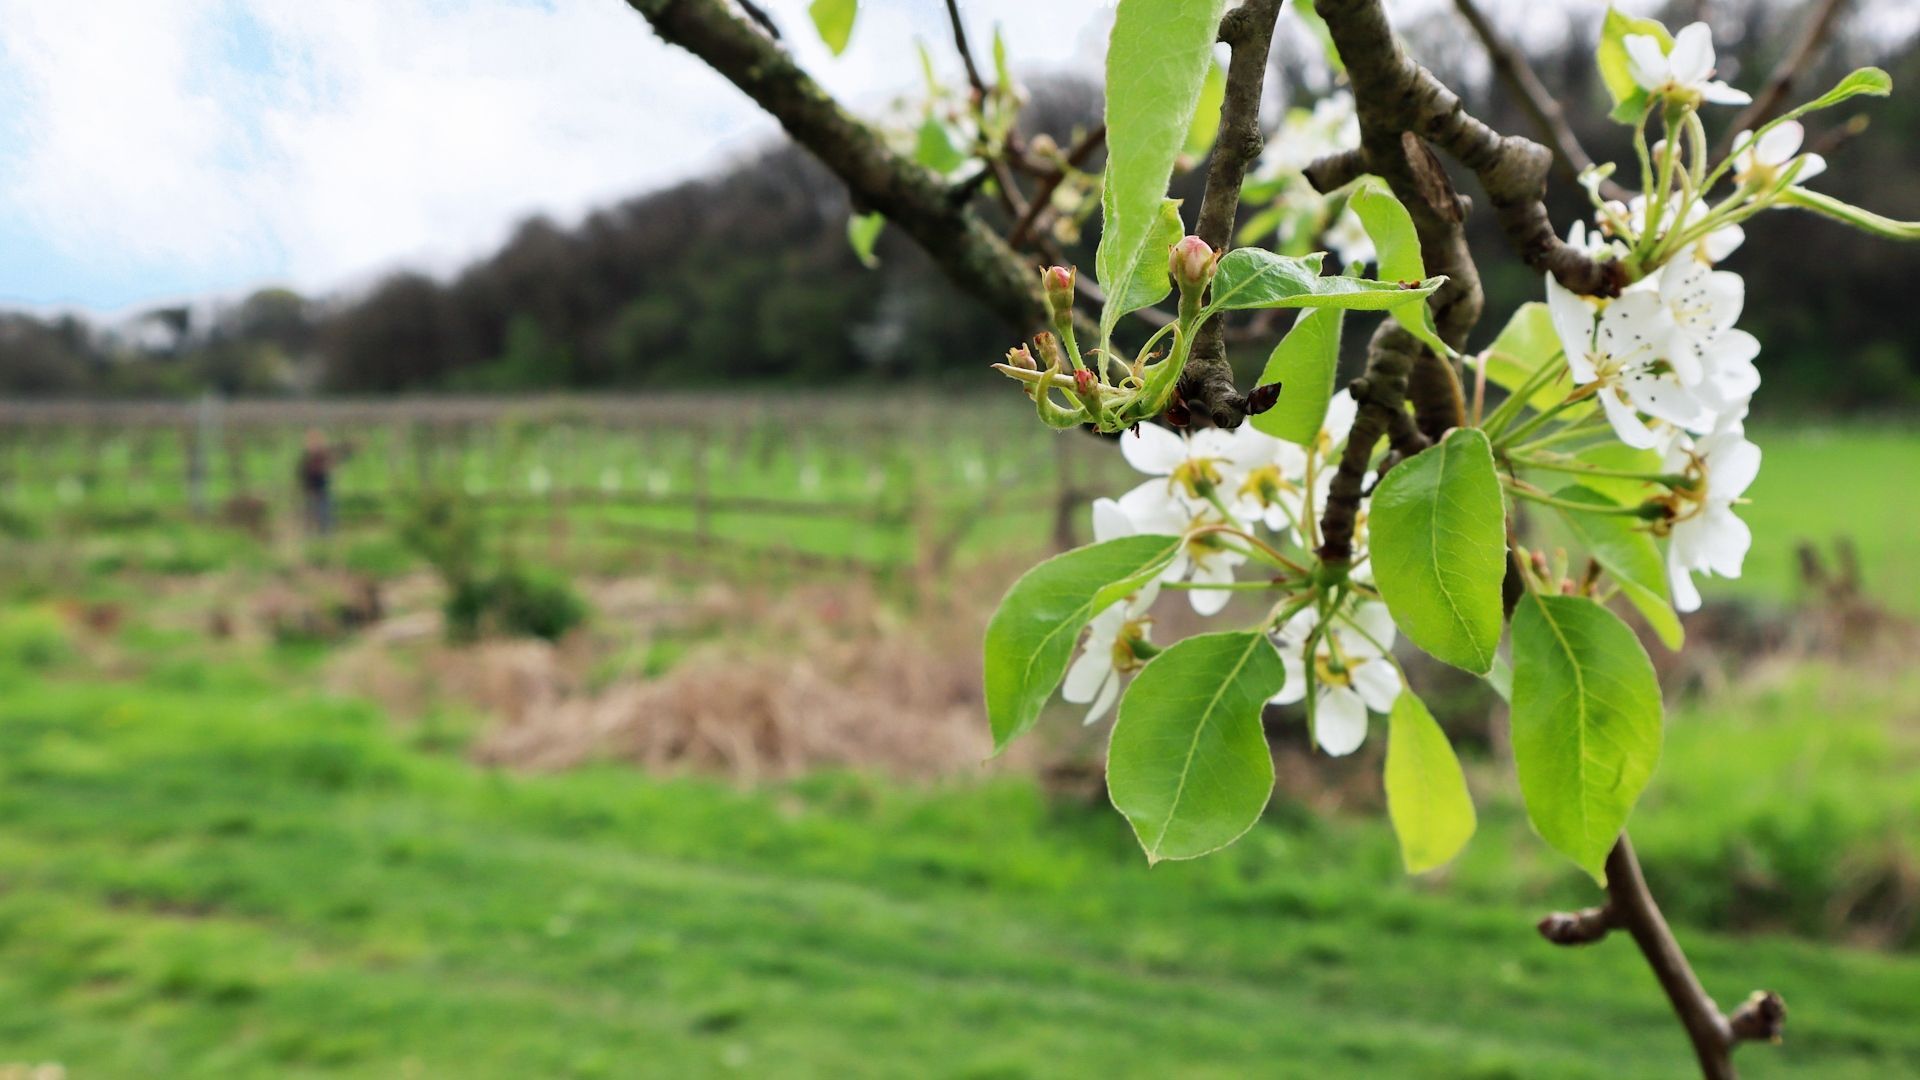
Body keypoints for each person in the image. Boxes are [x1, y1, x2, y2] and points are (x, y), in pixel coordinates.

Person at [297, 428, 339, 536]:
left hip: (321, 488)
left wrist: (326, 466)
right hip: (310, 489)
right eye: (311, 441)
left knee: (324, 513)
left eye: (316, 441)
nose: (313, 444)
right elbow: (302, 472)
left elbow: (329, 466)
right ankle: (309, 534)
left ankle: (325, 535)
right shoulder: (306, 457)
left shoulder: (323, 455)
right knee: (309, 512)